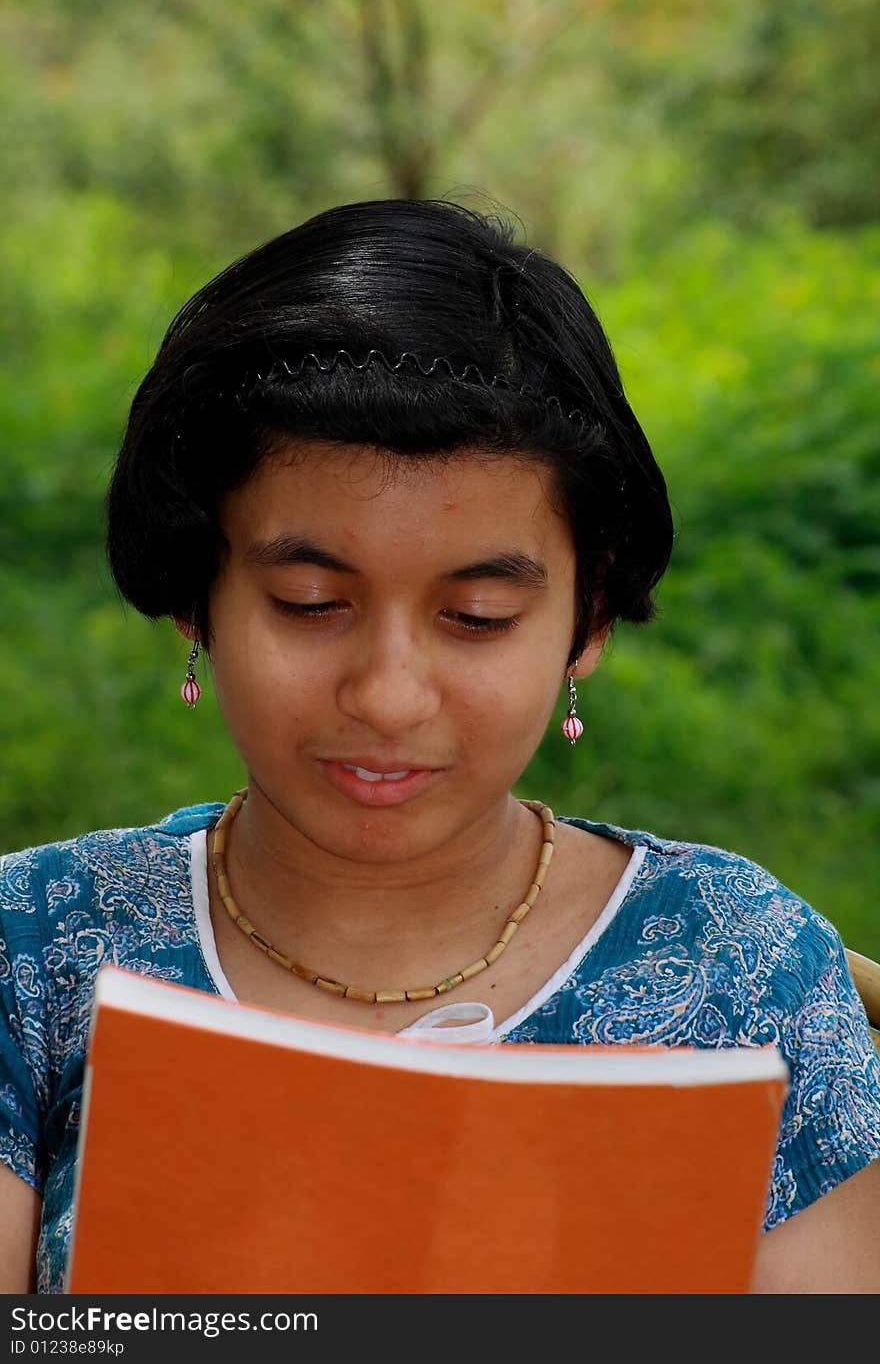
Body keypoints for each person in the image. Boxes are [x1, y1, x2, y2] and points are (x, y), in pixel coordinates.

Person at [1, 198, 878, 1296]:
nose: (387, 694)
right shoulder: (31, 952)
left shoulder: (744, 971)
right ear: (197, 593)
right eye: (311, 601)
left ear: (587, 616)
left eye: (475, 618)